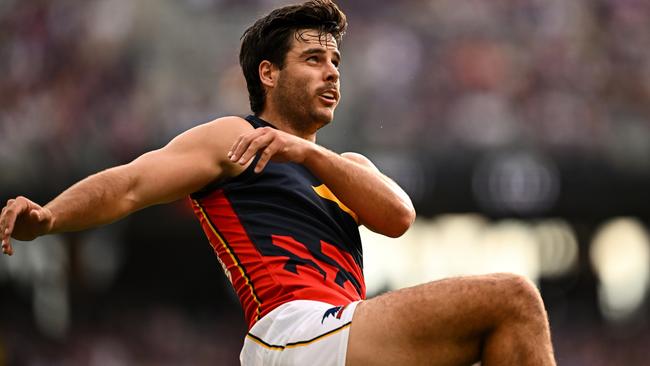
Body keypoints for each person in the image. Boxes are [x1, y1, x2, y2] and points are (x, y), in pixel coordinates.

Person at [0, 1, 556, 365]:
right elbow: (130, 184)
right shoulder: (233, 137)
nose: (332, 71)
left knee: (500, 337)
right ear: (269, 73)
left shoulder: (342, 166)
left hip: (335, 333)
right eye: (313, 59)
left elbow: (398, 216)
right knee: (512, 298)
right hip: (292, 333)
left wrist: (305, 154)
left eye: (336, 61)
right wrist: (50, 217)